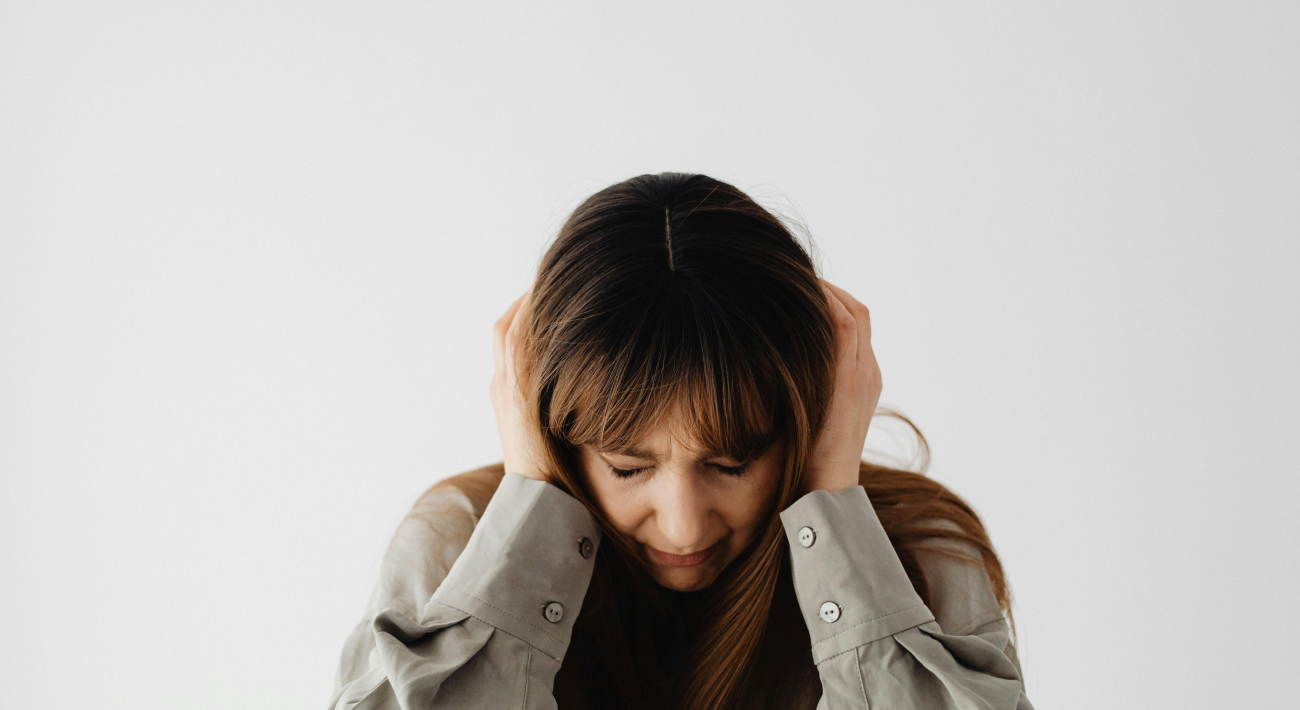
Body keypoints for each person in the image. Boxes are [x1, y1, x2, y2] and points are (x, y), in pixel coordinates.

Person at [327, 173, 1033, 709]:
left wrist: (832, 501)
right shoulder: (456, 544)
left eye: (732, 462)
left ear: (808, 419)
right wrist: (531, 514)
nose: (683, 522)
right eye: (630, 467)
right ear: (553, 430)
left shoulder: (918, 550)